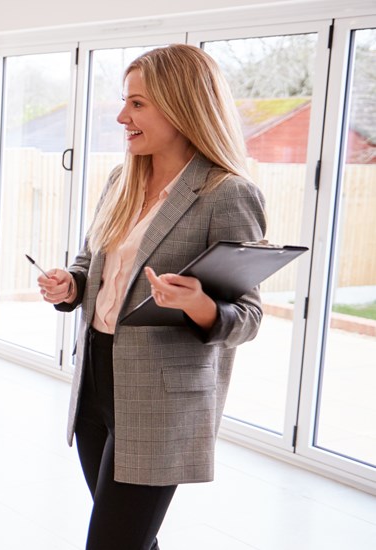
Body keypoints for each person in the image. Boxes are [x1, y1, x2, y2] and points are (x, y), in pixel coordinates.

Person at [36, 44, 266, 550]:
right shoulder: (123, 179)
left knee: (113, 540)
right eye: (125, 101)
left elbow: (247, 315)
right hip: (96, 376)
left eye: (137, 104)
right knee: (132, 535)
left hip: (161, 398)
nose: (122, 116)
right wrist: (70, 286)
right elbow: (89, 263)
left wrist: (197, 304)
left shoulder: (225, 193)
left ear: (181, 105)